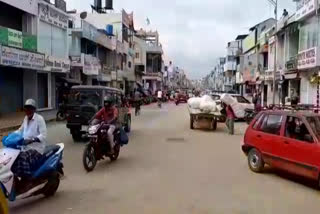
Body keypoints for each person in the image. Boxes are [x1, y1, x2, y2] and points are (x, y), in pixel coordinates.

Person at [12, 99, 47, 178]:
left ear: (34, 109)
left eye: (30, 108)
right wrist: (10, 136)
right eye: (26, 108)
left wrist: (32, 140)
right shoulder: (26, 118)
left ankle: (28, 179)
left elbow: (43, 135)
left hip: (37, 148)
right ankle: (17, 176)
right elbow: (20, 130)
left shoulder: (39, 119)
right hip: (26, 147)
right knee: (13, 156)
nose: (28, 110)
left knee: (22, 157)